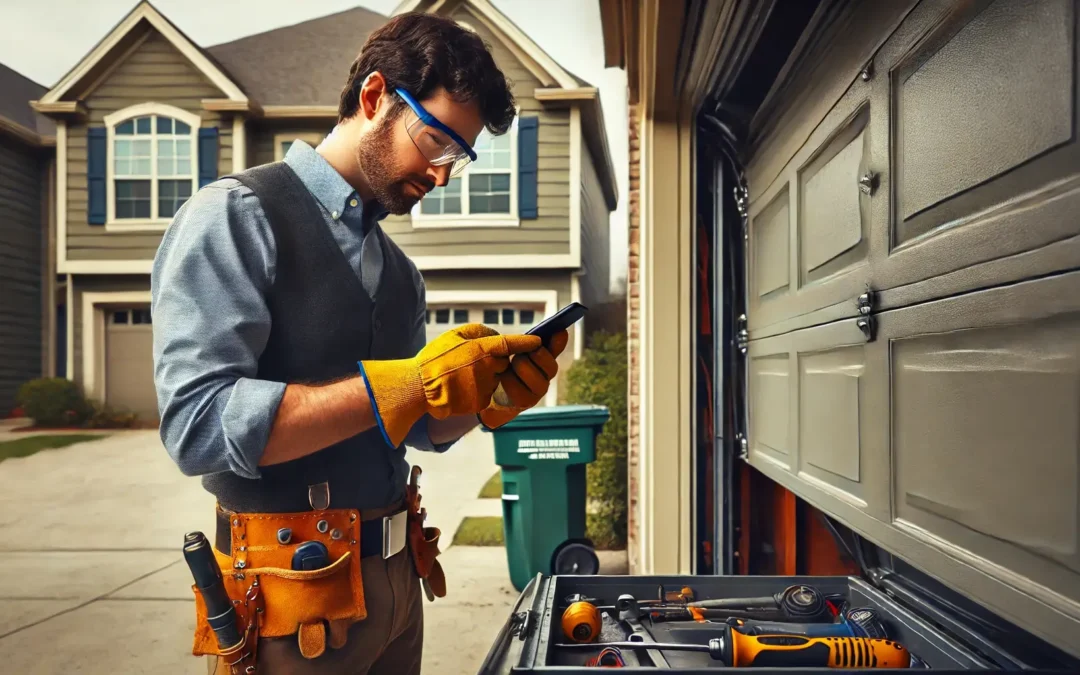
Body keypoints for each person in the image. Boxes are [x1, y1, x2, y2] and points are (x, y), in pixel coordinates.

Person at [151, 12, 568, 675]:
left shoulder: (399, 273)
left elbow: (414, 430)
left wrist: (485, 399)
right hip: (294, 596)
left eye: (456, 157)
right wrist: (395, 384)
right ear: (374, 98)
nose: (441, 175)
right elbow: (197, 425)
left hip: (399, 585)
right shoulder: (236, 216)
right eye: (434, 142)